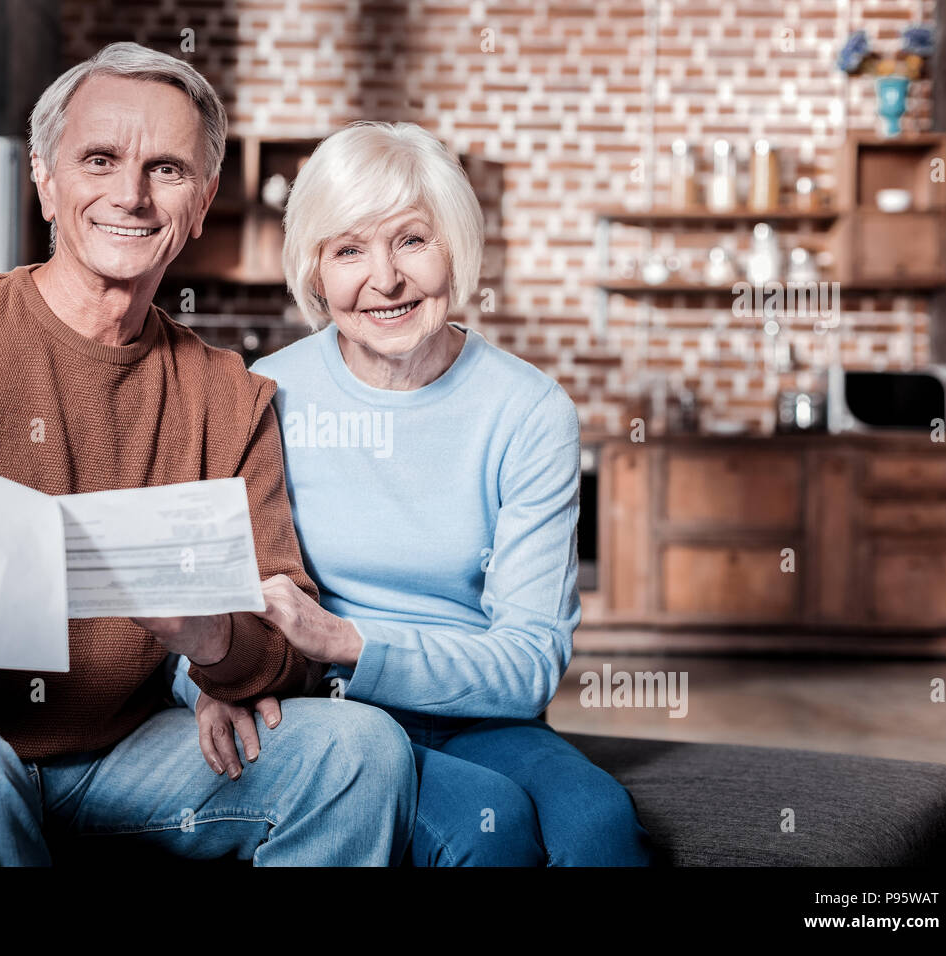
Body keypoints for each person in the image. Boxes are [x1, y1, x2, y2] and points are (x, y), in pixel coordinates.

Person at [0, 44, 417, 867]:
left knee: (359, 750)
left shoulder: (231, 395)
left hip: (122, 760)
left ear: (199, 205)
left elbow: (289, 649)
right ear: (46, 180)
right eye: (99, 160)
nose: (130, 194)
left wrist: (216, 641)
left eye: (166, 169)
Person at [173, 121, 655, 866]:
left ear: (455, 249)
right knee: (485, 829)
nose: (386, 279)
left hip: (480, 712)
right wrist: (207, 683)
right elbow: (186, 592)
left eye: (411, 241)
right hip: (329, 715)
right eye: (348, 250)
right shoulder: (263, 395)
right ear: (314, 270)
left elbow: (528, 664)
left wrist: (351, 642)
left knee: (600, 823)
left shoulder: (528, 411)